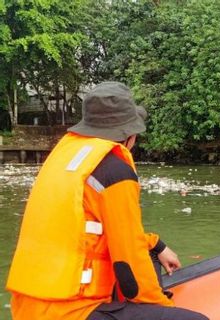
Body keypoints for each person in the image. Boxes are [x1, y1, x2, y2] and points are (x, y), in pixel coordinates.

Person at [6, 82, 208, 320]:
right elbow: (129, 256)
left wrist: (156, 244)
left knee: (150, 256)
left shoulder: (67, 158)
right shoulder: (115, 170)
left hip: (28, 305)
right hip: (70, 311)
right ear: (129, 134)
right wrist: (162, 307)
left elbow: (90, 230)